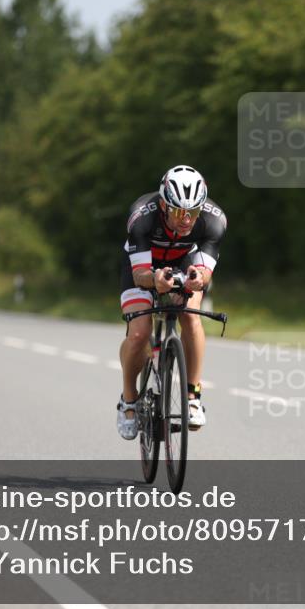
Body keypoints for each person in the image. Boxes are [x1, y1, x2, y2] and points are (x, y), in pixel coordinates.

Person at [117, 165, 227, 440]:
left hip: (183, 260)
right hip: (143, 266)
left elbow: (204, 273)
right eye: (179, 212)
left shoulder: (214, 220)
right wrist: (155, 281)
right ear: (165, 205)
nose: (187, 219)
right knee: (140, 332)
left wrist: (195, 280)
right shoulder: (142, 216)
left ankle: (192, 396)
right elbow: (140, 274)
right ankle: (129, 400)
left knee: (191, 316)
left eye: (193, 212)